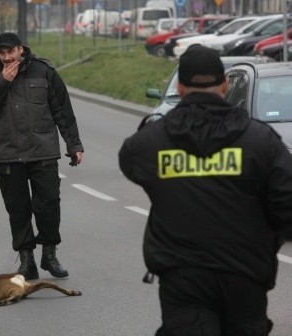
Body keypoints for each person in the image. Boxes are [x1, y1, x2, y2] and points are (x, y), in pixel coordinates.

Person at [118, 44, 292, 335]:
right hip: (245, 273)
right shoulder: (261, 140)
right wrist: (266, 236)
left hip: (182, 276)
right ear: (224, 85)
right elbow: (286, 201)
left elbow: (132, 163)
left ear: (182, 88)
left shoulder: (150, 142)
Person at [0, 32, 84, 280]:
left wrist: (74, 145)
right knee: (18, 209)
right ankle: (26, 262)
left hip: (42, 151)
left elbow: (62, 111)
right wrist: (3, 81)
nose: (6, 58)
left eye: (10, 52)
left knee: (49, 205)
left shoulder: (44, 72)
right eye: (1, 54)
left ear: (21, 49)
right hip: (8, 155)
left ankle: (49, 254)